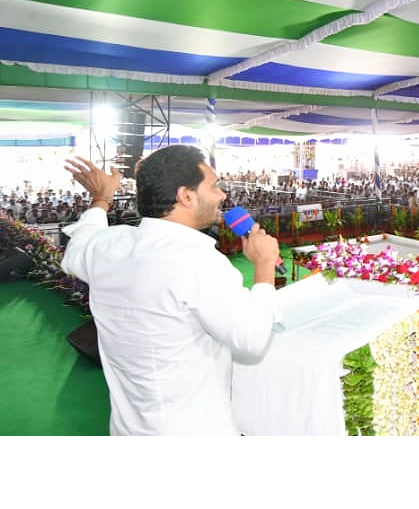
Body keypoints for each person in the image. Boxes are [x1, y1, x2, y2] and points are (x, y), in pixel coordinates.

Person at [60, 147, 282, 435]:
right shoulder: (199, 262)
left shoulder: (108, 246)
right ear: (185, 196)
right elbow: (251, 341)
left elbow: (77, 248)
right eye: (214, 185)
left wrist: (101, 199)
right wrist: (264, 267)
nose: (222, 195)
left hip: (129, 429)